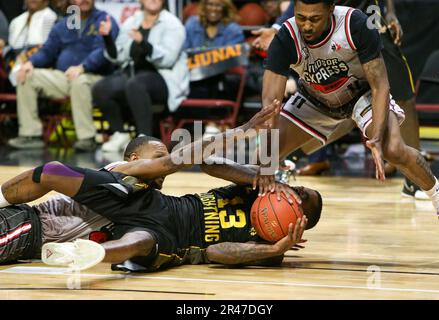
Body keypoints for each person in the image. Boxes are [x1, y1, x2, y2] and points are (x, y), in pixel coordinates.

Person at [0, 104, 319, 271]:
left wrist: (274, 249)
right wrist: (255, 167)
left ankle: (87, 254)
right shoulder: (255, 188)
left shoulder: (271, 249)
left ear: (300, 219)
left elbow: (215, 252)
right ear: (136, 157)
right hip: (161, 209)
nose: (297, 191)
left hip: (175, 240)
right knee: (53, 170)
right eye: (301, 189)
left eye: (304, 197)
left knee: (139, 241)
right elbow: (206, 163)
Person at [253, 0, 439, 236]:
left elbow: (380, 85)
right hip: (315, 98)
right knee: (261, 159)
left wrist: (376, 138)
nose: (306, 25)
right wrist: (266, 162)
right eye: (301, 17)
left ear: (330, 10)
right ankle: (271, 222)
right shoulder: (286, 36)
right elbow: (269, 106)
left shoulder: (355, 23)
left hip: (360, 94)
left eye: (314, 19)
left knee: (393, 149)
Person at [0, 135, 172, 266]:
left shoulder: (147, 199)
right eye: (159, 157)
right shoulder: (121, 173)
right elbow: (50, 171)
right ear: (135, 159)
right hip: (29, 226)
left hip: (32, 244)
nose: (164, 166)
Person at [7, 0, 120, 152]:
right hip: (66, 77)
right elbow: (47, 51)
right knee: (27, 75)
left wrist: (83, 67)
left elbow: (104, 52)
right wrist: (30, 63)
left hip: (96, 77)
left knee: (80, 81)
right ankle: (30, 135)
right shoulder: (64, 24)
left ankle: (87, 138)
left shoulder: (104, 20)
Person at [92, 0, 189, 153]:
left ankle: (145, 139)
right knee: (101, 88)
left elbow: (168, 59)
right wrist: (108, 38)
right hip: (133, 74)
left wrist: (144, 43)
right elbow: (119, 56)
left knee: (136, 84)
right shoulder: (132, 21)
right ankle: (119, 134)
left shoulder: (173, 24)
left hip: (163, 78)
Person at [183, 0, 245, 137]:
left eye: (218, 5)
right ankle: (206, 126)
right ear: (204, 6)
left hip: (220, 80)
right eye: (210, 4)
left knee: (221, 76)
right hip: (193, 78)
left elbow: (232, 60)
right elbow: (184, 53)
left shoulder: (233, 29)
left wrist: (204, 60)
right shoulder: (192, 24)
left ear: (224, 8)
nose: (213, 9)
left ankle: (213, 124)